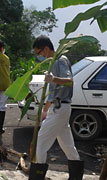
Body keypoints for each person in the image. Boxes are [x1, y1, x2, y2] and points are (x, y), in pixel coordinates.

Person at [29, 35, 84, 180]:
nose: (39, 56)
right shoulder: (53, 62)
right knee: (67, 146)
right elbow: (54, 93)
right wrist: (45, 109)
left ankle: (36, 177)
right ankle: (76, 176)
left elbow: (69, 82)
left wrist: (53, 79)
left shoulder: (60, 60)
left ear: (46, 49)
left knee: (41, 142)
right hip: (58, 108)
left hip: (60, 109)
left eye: (39, 53)